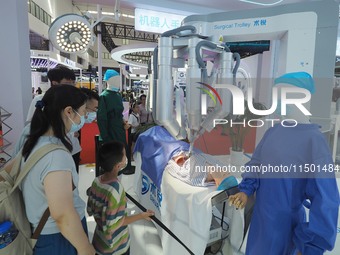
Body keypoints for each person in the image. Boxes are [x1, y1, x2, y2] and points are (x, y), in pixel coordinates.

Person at [228, 72, 339, 255]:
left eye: (283, 95)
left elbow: (326, 199)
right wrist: (245, 190)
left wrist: (310, 247)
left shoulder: (313, 141)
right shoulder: (273, 132)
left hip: (285, 228)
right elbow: (256, 165)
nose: (277, 101)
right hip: (260, 224)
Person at [20, 85, 95, 255]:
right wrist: (85, 249)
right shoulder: (56, 156)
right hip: (59, 237)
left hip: (43, 231)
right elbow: (62, 215)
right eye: (83, 112)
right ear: (69, 111)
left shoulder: (32, 138)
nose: (83, 118)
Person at [87, 141, 154, 255]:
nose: (126, 158)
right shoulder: (116, 190)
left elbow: (90, 209)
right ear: (118, 166)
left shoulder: (96, 181)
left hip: (99, 242)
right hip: (115, 247)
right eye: (124, 156)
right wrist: (142, 216)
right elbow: (114, 224)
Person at [97, 69, 134, 174]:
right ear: (108, 80)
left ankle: (120, 179)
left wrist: (124, 123)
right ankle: (110, 183)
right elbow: (101, 118)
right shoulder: (103, 96)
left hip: (120, 130)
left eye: (119, 79)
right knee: (113, 157)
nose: (118, 82)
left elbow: (119, 113)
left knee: (122, 153)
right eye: (115, 79)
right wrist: (105, 137)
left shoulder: (117, 96)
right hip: (110, 131)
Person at [166, 150, 238, 190]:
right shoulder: (221, 166)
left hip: (174, 152)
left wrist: (179, 157)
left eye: (224, 175)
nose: (224, 171)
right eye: (228, 173)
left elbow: (175, 168)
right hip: (189, 148)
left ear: (217, 183)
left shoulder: (195, 177)